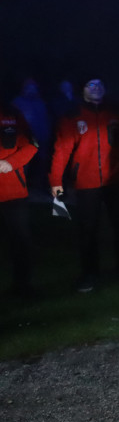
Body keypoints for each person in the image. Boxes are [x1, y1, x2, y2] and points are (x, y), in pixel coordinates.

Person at [49, 78, 119, 292]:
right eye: (90, 85)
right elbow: (61, 150)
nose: (96, 88)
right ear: (83, 90)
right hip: (87, 182)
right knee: (88, 230)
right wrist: (56, 180)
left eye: (99, 84)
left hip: (115, 180)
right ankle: (90, 274)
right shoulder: (73, 116)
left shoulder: (117, 113)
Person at [0, 104, 38, 297]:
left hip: (12, 192)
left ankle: (22, 286)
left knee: (20, 243)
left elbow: (32, 145)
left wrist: (10, 163)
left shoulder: (12, 115)